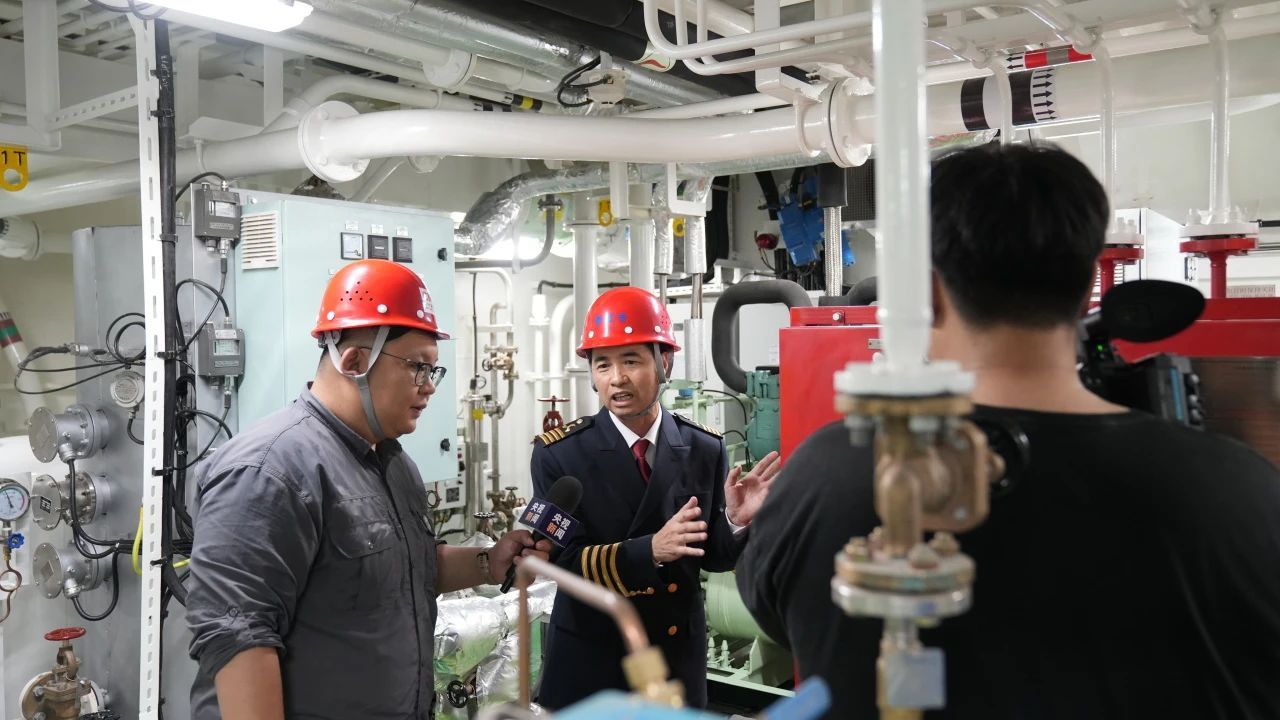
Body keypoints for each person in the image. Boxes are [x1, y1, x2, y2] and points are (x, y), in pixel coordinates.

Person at [736, 143, 1280, 719]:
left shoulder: (825, 472)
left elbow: (780, 620)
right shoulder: (1239, 488)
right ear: (1087, 286)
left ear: (928, 294)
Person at [186, 259, 551, 720]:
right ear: (354, 362)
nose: (429, 388)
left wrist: (487, 562)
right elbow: (238, 637)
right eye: (418, 367)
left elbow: (408, 568)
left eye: (433, 371)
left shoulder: (393, 463)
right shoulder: (268, 471)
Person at [531, 286, 781, 709]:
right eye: (603, 364)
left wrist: (735, 521)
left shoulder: (703, 447)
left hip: (674, 656)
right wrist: (649, 550)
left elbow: (713, 556)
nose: (617, 378)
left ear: (664, 362)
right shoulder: (560, 455)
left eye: (631, 361)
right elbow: (560, 562)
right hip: (594, 658)